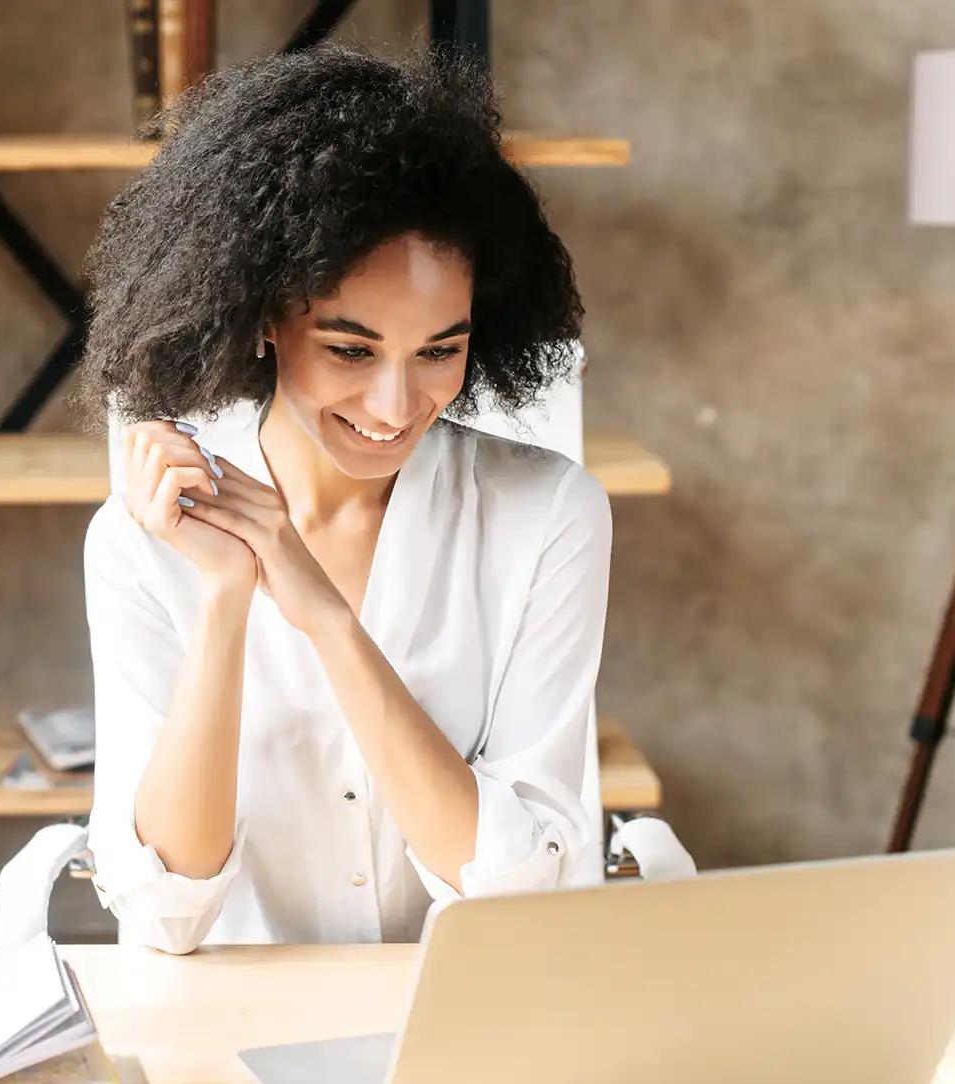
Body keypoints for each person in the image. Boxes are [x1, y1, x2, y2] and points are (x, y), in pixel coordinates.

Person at [77, 43, 608, 953]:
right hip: (233, 1033)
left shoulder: (548, 516)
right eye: (352, 350)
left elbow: (517, 892)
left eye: (439, 350)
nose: (397, 407)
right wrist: (224, 599)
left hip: (465, 1027)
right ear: (264, 318)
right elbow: (166, 911)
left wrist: (325, 617)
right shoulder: (144, 537)